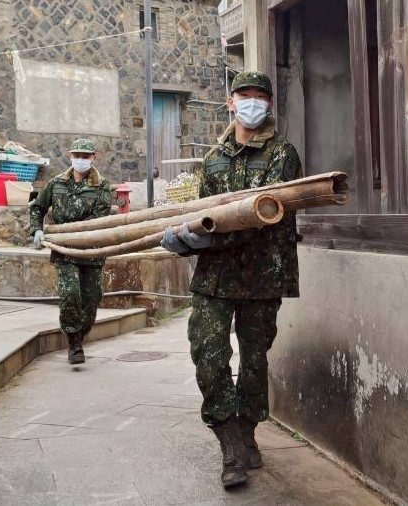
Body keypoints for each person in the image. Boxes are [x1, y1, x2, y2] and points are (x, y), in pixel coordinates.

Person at [161, 71, 303, 488]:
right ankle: (229, 441)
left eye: (260, 96)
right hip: (215, 278)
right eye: (244, 95)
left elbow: (266, 216)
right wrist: (187, 239)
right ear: (231, 102)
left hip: (262, 276)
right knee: (208, 355)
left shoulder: (282, 154)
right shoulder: (213, 159)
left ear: (269, 104)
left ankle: (247, 429)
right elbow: (205, 213)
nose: (251, 102)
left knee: (255, 361)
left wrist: (208, 237)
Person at [29, 139, 112, 365]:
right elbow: (37, 207)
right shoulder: (56, 183)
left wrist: (72, 229)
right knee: (70, 295)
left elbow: (99, 218)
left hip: (91, 252)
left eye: (85, 156)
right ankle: (74, 343)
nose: (81, 160)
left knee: (91, 300)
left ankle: (80, 335)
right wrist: (36, 229)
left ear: (93, 157)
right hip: (64, 251)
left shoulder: (102, 186)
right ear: (70, 156)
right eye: (77, 155)